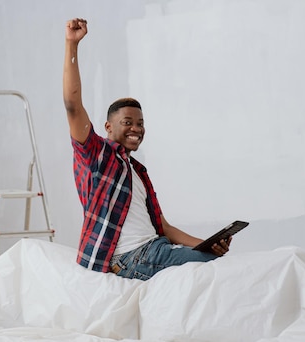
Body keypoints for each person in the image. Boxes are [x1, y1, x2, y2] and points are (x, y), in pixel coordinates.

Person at [63, 17, 231, 280]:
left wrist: (206, 243)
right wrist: (72, 45)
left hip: (154, 247)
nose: (136, 129)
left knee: (212, 257)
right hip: (128, 257)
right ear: (108, 126)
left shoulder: (137, 171)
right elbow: (73, 105)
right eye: (127, 122)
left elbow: (162, 226)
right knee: (210, 266)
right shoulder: (98, 155)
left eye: (140, 123)